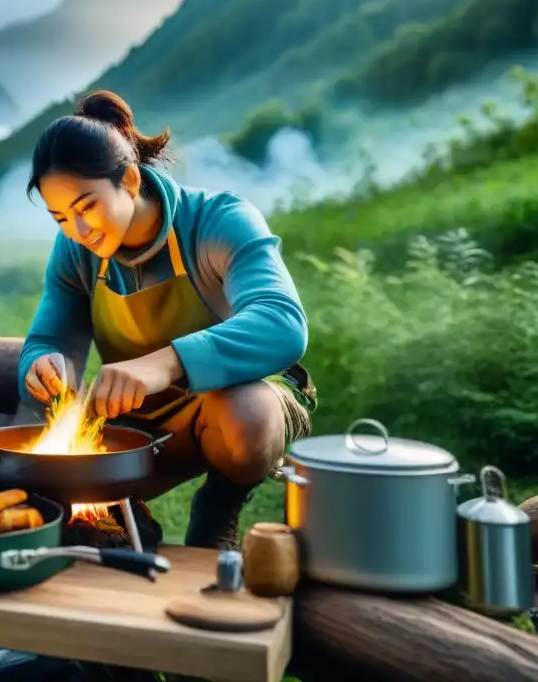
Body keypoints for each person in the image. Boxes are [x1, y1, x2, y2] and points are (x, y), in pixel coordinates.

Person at [17, 90, 317, 550]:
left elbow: (283, 322)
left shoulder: (218, 221)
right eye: (61, 218)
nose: (78, 230)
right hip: (136, 423)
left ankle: (220, 505)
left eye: (87, 207)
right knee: (51, 473)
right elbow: (49, 337)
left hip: (225, 408)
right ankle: (124, 516)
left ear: (131, 180)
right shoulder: (75, 251)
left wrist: (166, 363)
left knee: (246, 416)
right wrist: (42, 364)